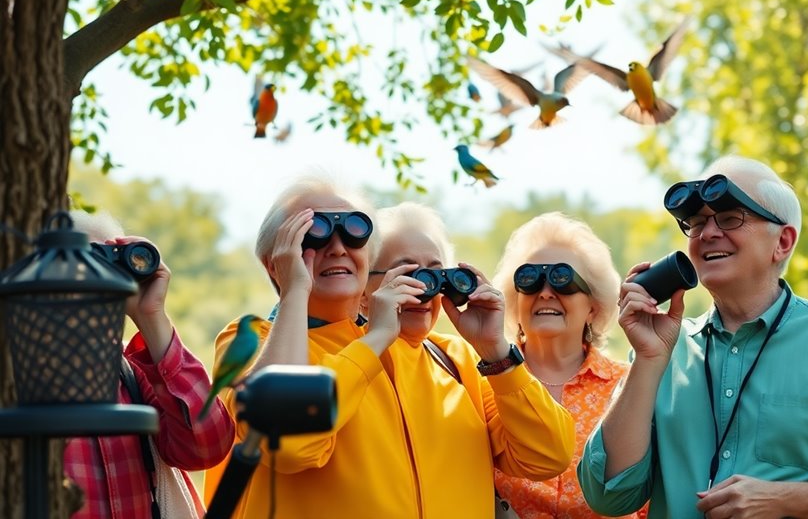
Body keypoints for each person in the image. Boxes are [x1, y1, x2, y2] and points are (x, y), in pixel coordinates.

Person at [578, 156, 808, 519]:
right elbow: (608, 495)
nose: (708, 233)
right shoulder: (663, 348)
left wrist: (784, 499)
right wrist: (648, 361)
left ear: (783, 241)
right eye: (697, 222)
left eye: (730, 218)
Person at [203, 181, 574, 518]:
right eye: (311, 234)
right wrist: (305, 295)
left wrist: (497, 353)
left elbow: (548, 456)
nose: (336, 248)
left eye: (353, 235)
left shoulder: (452, 360)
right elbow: (287, 444)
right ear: (275, 263)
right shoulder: (251, 340)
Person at [65, 210, 234, 519]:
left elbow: (208, 446)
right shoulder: (16, 380)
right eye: (77, 265)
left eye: (106, 265)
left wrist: (151, 316)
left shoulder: (132, 374)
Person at [492, 212, 647, 519]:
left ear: (593, 306)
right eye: (530, 281)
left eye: (563, 281)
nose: (546, 292)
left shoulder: (629, 386)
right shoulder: (485, 384)